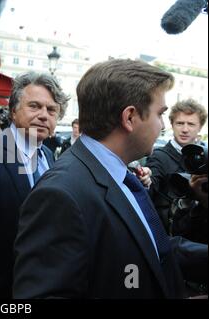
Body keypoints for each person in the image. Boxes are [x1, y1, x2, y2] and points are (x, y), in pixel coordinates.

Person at [13, 59, 207, 299]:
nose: (163, 127)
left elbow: (154, 247)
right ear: (129, 118)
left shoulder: (119, 175)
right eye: (160, 114)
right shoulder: (61, 194)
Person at [0, 71, 69, 298]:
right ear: (13, 111)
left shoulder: (49, 157)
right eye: (34, 106)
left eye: (51, 110)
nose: (44, 115)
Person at [146, 99, 207, 233]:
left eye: (191, 124)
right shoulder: (159, 157)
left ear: (200, 127)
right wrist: (145, 179)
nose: (185, 129)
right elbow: (149, 187)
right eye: (180, 123)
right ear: (172, 125)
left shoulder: (204, 158)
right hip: (168, 234)